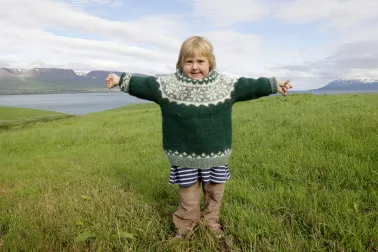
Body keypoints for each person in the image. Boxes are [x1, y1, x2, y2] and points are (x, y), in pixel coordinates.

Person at [105, 36, 292, 239]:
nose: (195, 67)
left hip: (216, 154)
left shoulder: (225, 85)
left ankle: (211, 222)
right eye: (189, 61)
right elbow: (145, 84)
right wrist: (119, 80)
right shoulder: (167, 86)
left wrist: (274, 85)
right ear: (181, 63)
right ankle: (185, 228)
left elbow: (251, 86)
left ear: (210, 62)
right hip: (184, 155)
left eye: (200, 61)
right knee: (189, 197)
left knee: (215, 193)